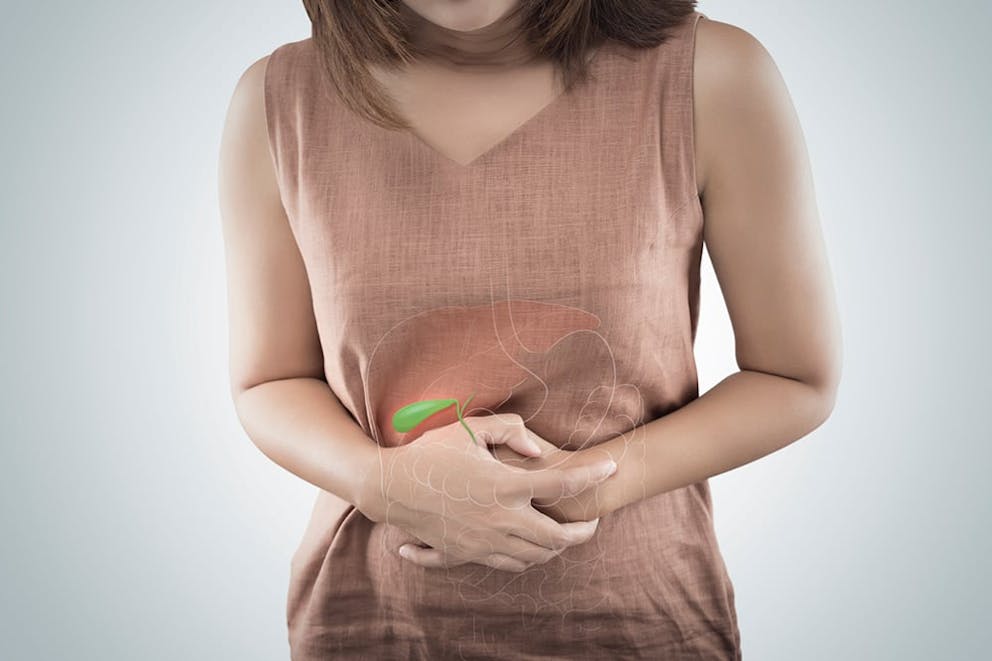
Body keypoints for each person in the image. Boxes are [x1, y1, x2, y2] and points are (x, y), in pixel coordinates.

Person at [217, 0, 841, 658]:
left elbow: (794, 375)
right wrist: (381, 481)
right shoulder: (276, 101)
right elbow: (270, 378)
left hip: (642, 626)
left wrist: (584, 486)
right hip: (370, 623)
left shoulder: (712, 75)